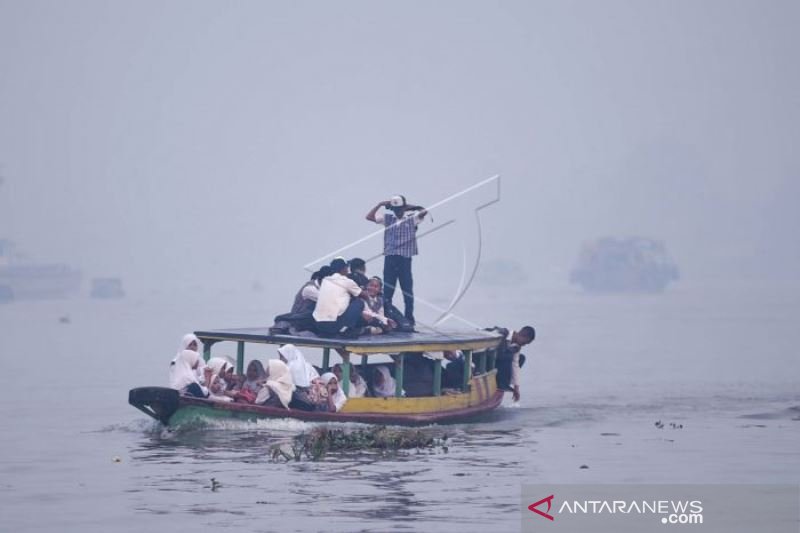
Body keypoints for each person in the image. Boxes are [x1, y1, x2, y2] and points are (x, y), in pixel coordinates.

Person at [365, 195, 427, 326]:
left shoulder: (412, 219)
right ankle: (388, 317)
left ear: (403, 208)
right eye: (395, 209)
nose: (397, 212)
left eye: (399, 209)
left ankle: (409, 319)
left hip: (404, 260)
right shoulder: (387, 219)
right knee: (388, 291)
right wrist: (380, 204)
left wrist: (408, 206)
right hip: (390, 259)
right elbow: (369, 217)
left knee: (407, 291)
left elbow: (424, 211)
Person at [312, 257, 367, 337]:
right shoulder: (347, 281)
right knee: (359, 303)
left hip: (318, 325)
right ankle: (347, 330)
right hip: (333, 326)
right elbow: (365, 296)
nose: (348, 269)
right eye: (346, 267)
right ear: (343, 269)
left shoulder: (325, 280)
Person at [486, 325, 535, 402]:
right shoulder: (502, 334)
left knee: (521, 358)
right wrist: (511, 350)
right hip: (487, 360)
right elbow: (497, 354)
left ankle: (504, 382)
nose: (524, 345)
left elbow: (515, 365)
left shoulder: (517, 346)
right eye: (525, 342)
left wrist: (516, 387)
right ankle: (501, 384)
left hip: (497, 364)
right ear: (522, 336)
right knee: (508, 356)